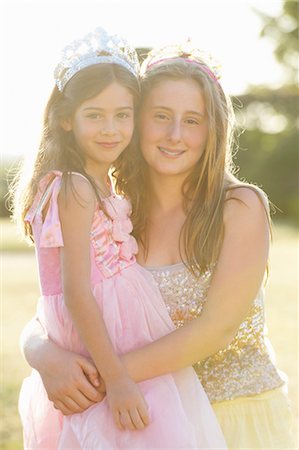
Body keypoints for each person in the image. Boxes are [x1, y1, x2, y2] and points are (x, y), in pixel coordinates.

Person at [19, 41, 295, 449]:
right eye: (160, 116)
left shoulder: (238, 207)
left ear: (213, 129)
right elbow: (65, 297)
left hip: (231, 415)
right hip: (144, 417)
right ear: (136, 119)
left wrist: (101, 377)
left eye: (192, 120)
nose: (174, 135)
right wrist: (41, 353)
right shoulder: (117, 207)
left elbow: (215, 330)